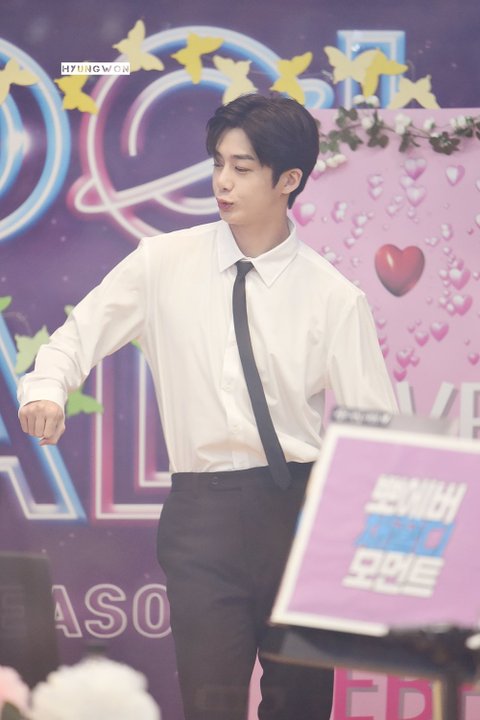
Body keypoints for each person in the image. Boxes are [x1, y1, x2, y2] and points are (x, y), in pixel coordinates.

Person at [18, 93, 398, 720]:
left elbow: (377, 437)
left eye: (242, 168)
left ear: (288, 180)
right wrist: (45, 391)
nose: (222, 181)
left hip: (301, 516)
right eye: (218, 163)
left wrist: (374, 551)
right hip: (203, 515)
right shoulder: (163, 263)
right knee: (210, 703)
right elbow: (73, 339)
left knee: (300, 707)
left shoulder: (334, 297)